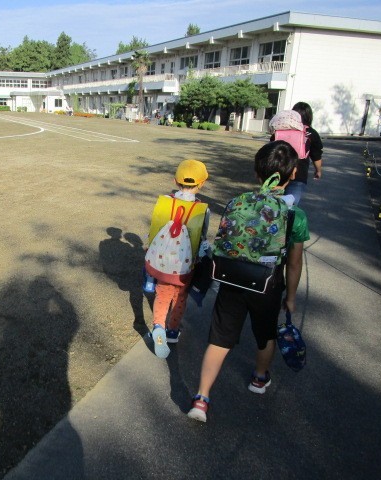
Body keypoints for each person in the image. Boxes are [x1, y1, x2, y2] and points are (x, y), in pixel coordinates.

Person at [187, 141, 309, 422]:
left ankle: (201, 398)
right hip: (267, 284)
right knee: (265, 335)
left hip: (231, 278)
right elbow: (294, 263)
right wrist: (290, 297)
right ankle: (259, 378)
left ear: (256, 172)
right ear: (293, 174)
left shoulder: (238, 202)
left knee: (220, 338)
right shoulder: (295, 215)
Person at [146, 160, 210, 358]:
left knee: (162, 294)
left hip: (163, 261)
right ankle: (172, 332)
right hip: (185, 264)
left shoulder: (166, 202)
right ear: (202, 183)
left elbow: (155, 228)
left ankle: (158, 326)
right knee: (180, 296)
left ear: (175, 181)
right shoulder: (202, 209)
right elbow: (202, 237)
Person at [284, 102, 323, 205]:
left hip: (277, 173)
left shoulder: (283, 129)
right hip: (298, 175)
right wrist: (318, 170)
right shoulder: (311, 133)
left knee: (270, 207)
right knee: (290, 206)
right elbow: (316, 156)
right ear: (309, 116)